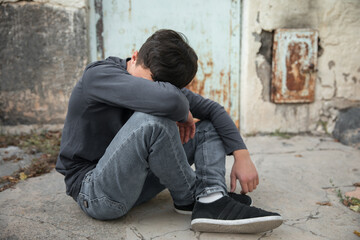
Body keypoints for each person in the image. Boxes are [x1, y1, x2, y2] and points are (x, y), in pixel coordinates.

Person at [56, 29, 283, 234]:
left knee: (207, 126)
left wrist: (241, 155)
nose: (155, 91)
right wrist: (180, 111)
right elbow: (168, 101)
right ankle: (194, 197)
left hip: (139, 182)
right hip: (96, 191)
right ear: (134, 57)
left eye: (166, 88)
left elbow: (213, 109)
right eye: (153, 84)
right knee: (154, 119)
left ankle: (210, 197)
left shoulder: (162, 85)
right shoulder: (99, 76)